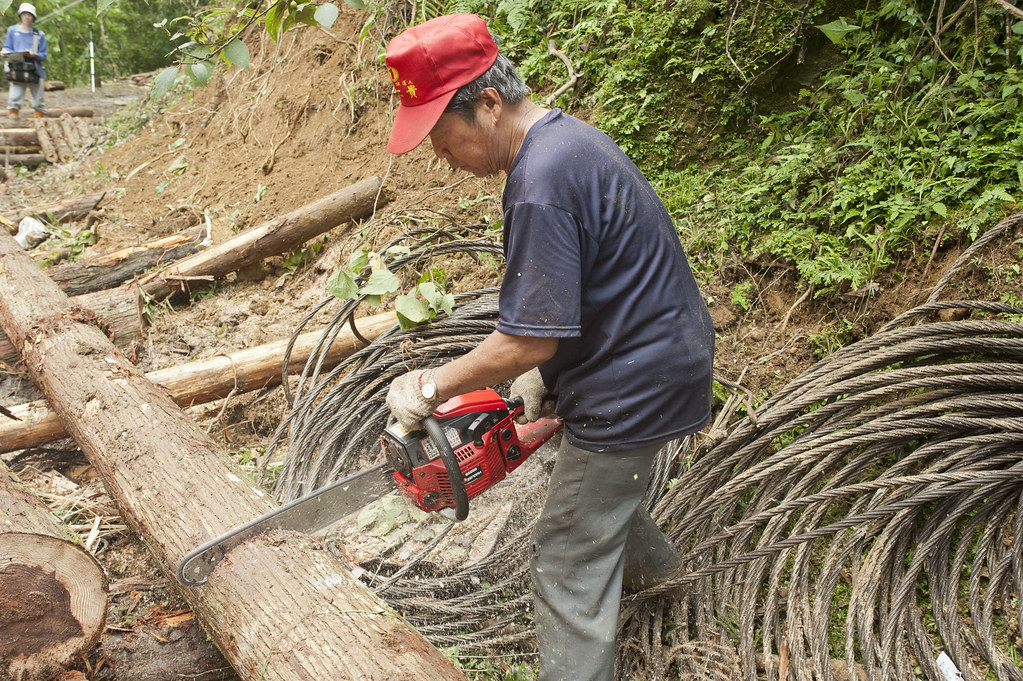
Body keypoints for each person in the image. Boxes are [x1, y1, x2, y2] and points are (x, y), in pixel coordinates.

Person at [382, 14, 715, 681]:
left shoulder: (540, 183)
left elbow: (526, 336)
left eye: (443, 139)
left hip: (634, 384)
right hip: (651, 359)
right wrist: (548, 372)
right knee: (592, 491)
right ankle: (666, 583)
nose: (441, 157)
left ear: (487, 103)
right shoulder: (565, 143)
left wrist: (431, 386)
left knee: (564, 557)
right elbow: (574, 296)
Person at [3, 3, 47, 117]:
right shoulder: (12, 31)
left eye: (29, 15)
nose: (27, 17)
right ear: (20, 16)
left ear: (33, 17)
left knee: (39, 98)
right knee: (14, 98)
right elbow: (7, 48)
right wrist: (6, 53)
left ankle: (39, 118)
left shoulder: (39, 34)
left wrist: (35, 55)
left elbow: (43, 55)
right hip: (17, 68)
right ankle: (13, 118)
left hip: (34, 68)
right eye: (24, 14)